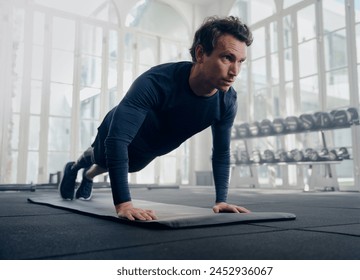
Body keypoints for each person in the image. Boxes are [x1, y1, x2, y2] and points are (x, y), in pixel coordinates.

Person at [59, 16, 253, 221]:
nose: (235, 72)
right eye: (227, 58)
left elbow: (222, 152)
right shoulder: (156, 81)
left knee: (127, 165)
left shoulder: (227, 101)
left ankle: (88, 177)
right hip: (117, 132)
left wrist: (221, 200)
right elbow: (117, 141)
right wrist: (124, 204)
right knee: (99, 156)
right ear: (200, 53)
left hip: (149, 149)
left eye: (240, 61)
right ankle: (75, 167)